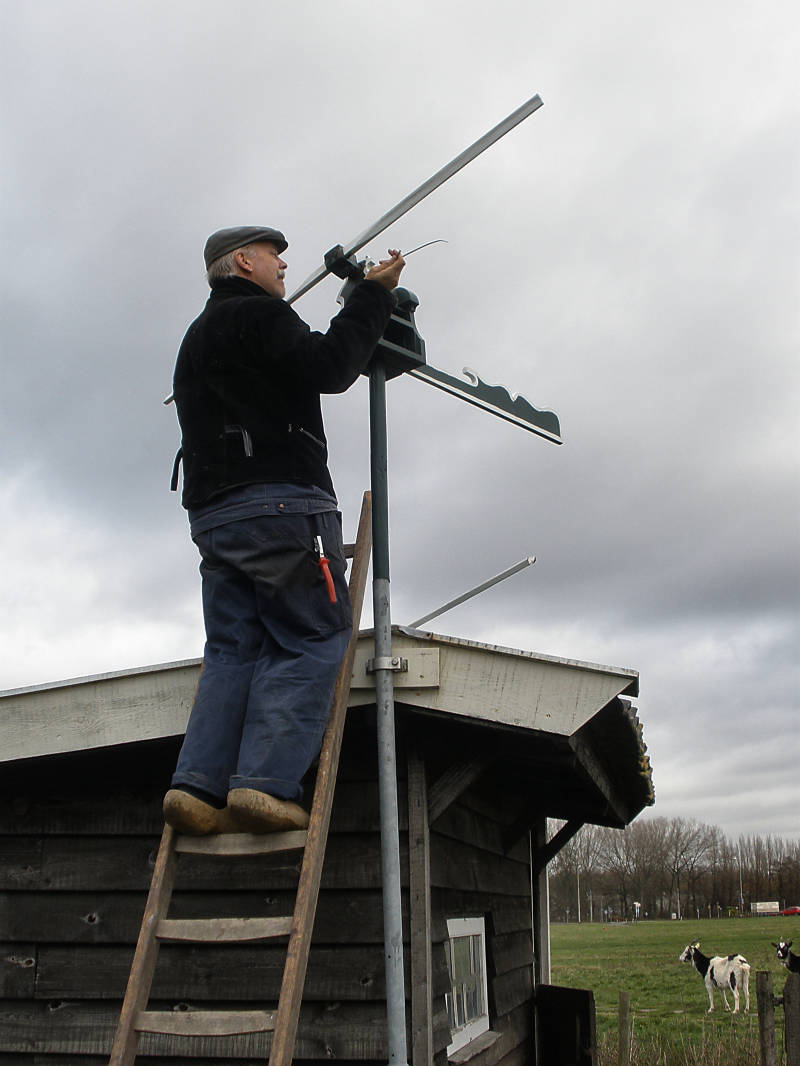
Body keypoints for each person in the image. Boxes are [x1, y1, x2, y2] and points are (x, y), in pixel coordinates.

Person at [164, 225, 405, 835]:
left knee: (231, 650)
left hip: (214, 519)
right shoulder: (261, 316)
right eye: (275, 255)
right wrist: (374, 298)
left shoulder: (197, 336)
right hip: (283, 508)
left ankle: (195, 789)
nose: (284, 265)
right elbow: (330, 367)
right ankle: (262, 786)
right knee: (311, 636)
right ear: (243, 261)